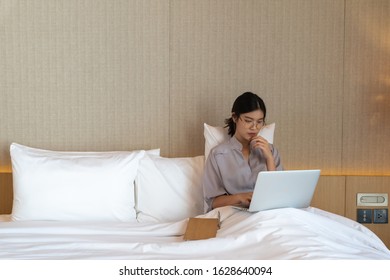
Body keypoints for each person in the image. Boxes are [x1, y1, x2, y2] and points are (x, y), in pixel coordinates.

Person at [203, 92, 283, 212]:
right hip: (235, 214)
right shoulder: (218, 155)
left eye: (259, 122)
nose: (254, 127)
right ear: (235, 117)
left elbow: (279, 194)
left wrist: (269, 159)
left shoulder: (270, 151)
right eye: (248, 120)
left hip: (271, 213)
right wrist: (240, 197)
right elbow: (213, 202)